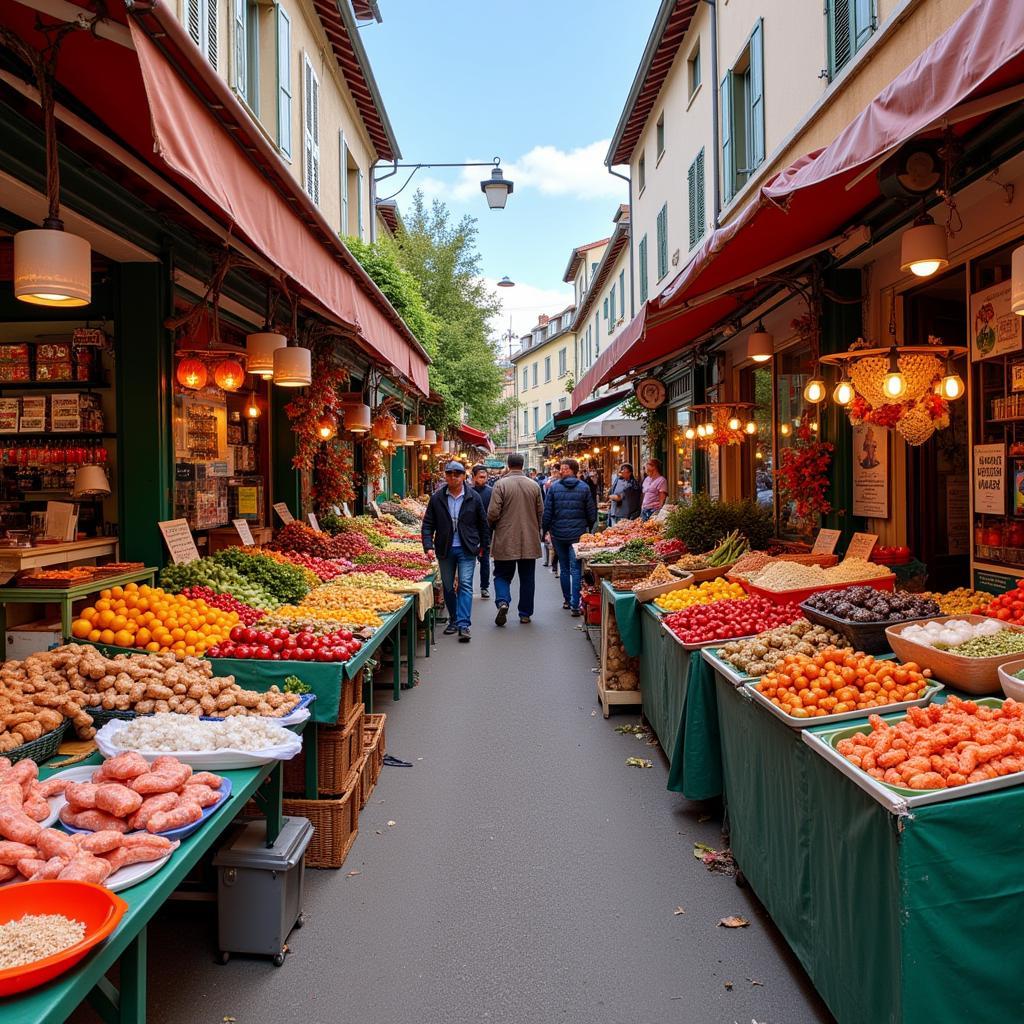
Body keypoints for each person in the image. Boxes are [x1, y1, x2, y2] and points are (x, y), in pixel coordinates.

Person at [421, 461, 487, 643]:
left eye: (457, 474)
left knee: (465, 585)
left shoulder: (473, 497)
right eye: (449, 474)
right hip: (445, 548)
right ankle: (453, 619)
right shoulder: (437, 498)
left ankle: (464, 625)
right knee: (448, 587)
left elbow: (483, 524)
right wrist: (428, 546)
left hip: (467, 548)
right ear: (445, 476)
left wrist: (484, 548)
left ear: (464, 476)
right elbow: (427, 524)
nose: (453, 477)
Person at [487, 452, 544, 626]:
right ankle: (525, 613)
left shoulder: (500, 484)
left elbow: (493, 512)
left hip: (506, 537)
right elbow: (540, 511)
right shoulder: (534, 485)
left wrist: (493, 525)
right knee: (527, 577)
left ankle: (503, 601)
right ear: (523, 464)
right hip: (529, 536)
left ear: (508, 465)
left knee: (502, 574)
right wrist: (537, 528)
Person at [543, 458, 597, 616]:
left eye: (564, 469)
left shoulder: (554, 488)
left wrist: (546, 529)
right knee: (575, 569)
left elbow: (548, 512)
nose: (561, 471)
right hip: (577, 534)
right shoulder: (584, 488)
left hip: (558, 533)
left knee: (565, 568)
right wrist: (585, 526)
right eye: (562, 468)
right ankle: (575, 604)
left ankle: (567, 601)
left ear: (573, 470)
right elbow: (591, 513)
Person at [471, 465, 493, 598]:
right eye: (480, 477)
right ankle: (467, 586)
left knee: (484, 560)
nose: (483, 479)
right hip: (470, 532)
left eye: (485, 477)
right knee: (469, 561)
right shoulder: (468, 492)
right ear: (473, 477)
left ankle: (484, 587)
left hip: (486, 531)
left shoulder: (491, 492)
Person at [543, 470, 561, 574]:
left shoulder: (552, 488)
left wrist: (545, 527)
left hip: (556, 525)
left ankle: (554, 565)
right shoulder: (582, 486)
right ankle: (555, 565)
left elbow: (547, 509)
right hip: (575, 528)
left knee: (556, 547)